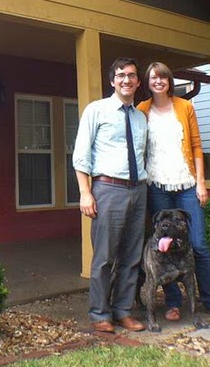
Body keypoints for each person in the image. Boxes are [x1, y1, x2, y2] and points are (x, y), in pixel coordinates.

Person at [137, 61, 210, 321]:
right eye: (153, 78)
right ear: (148, 82)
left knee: (198, 245)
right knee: (163, 245)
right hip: (157, 186)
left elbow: (197, 146)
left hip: (187, 184)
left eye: (163, 77)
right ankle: (174, 303)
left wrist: (201, 182)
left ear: (169, 81)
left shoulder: (185, 106)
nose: (158, 81)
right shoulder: (142, 110)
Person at [73, 57, 148, 333]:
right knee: (104, 257)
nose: (126, 80)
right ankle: (100, 314)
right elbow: (81, 154)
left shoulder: (141, 118)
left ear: (138, 82)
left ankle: (123, 311)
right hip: (108, 189)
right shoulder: (97, 110)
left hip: (138, 189)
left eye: (131, 75)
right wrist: (85, 193)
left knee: (132, 255)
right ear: (112, 81)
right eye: (120, 75)